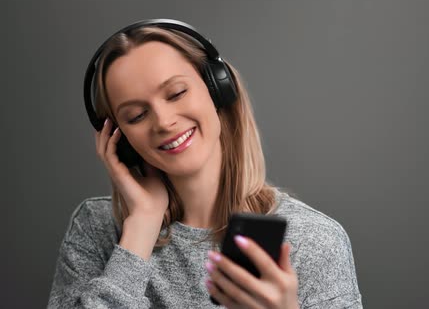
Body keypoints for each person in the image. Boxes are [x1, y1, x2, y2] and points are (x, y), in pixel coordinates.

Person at [48, 19, 362, 308]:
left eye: (176, 93)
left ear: (217, 89)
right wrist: (142, 226)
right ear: (120, 137)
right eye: (137, 115)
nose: (164, 122)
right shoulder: (96, 228)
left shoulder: (313, 240)